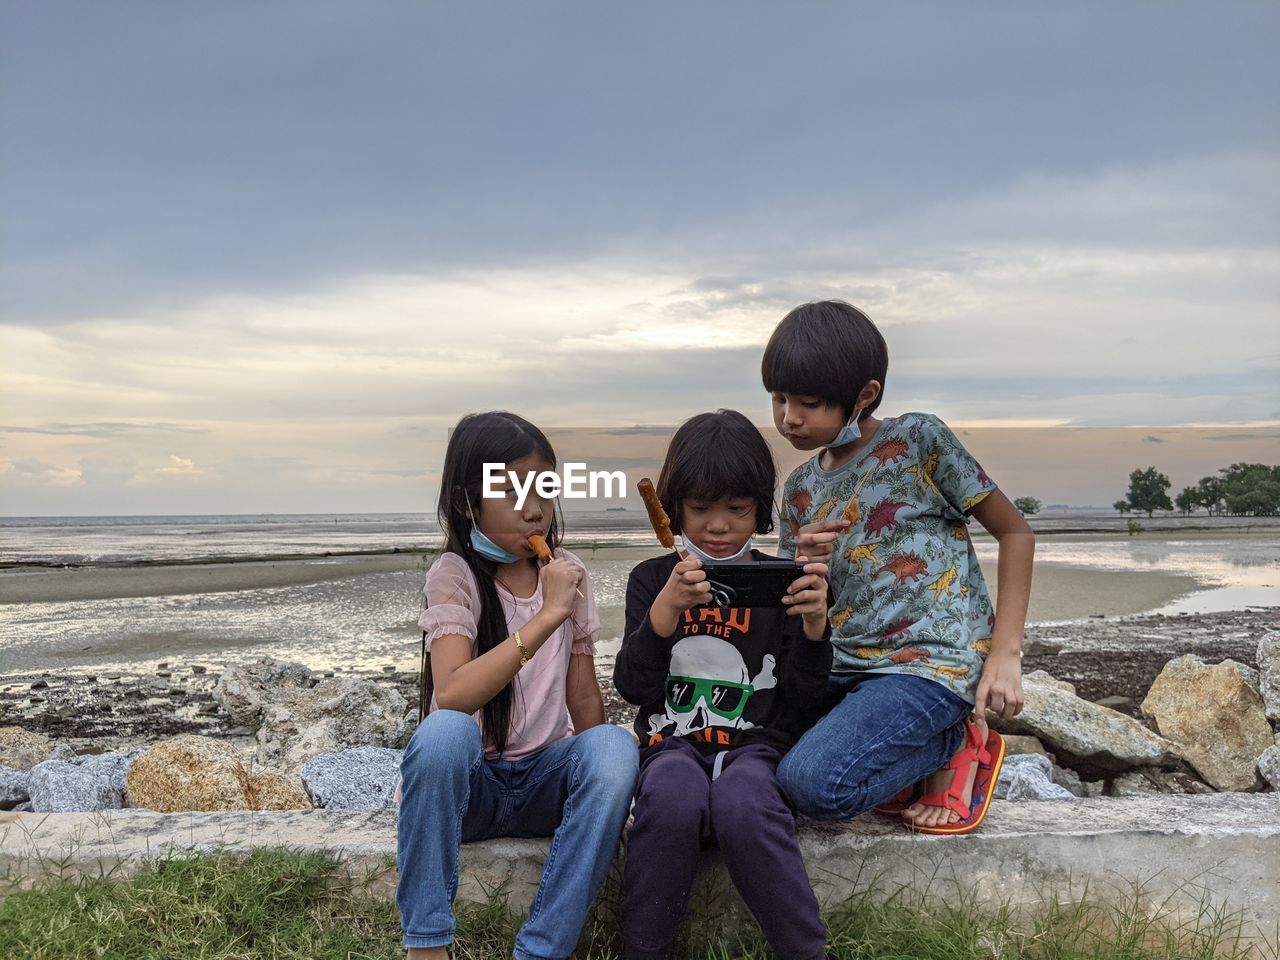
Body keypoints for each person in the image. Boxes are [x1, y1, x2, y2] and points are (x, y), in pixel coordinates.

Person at [763, 300, 1034, 833]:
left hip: (928, 664)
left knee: (813, 786)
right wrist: (806, 568)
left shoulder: (917, 440)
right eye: (778, 398)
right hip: (839, 663)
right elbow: (797, 607)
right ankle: (907, 765)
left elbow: (1015, 532)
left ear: (865, 396)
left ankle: (957, 743)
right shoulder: (798, 489)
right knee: (754, 752)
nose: (789, 417)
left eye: (810, 403)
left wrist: (1005, 653)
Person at [396, 411, 638, 960]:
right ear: (467, 502)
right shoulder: (454, 574)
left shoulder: (568, 572)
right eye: (511, 490)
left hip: (542, 784)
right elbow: (452, 695)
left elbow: (582, 697)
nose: (533, 508)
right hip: (471, 790)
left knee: (617, 746)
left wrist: (610, 791)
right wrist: (546, 616)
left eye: (544, 489)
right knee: (444, 734)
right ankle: (427, 946)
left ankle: (543, 950)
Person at [614, 410, 833, 960]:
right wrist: (664, 612)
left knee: (744, 804)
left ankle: (806, 952)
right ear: (672, 508)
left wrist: (813, 627)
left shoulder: (781, 580)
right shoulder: (651, 579)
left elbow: (804, 700)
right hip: (672, 741)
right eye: (699, 508)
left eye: (736, 509)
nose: (718, 525)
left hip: (756, 748)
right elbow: (634, 687)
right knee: (670, 799)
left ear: (760, 507)